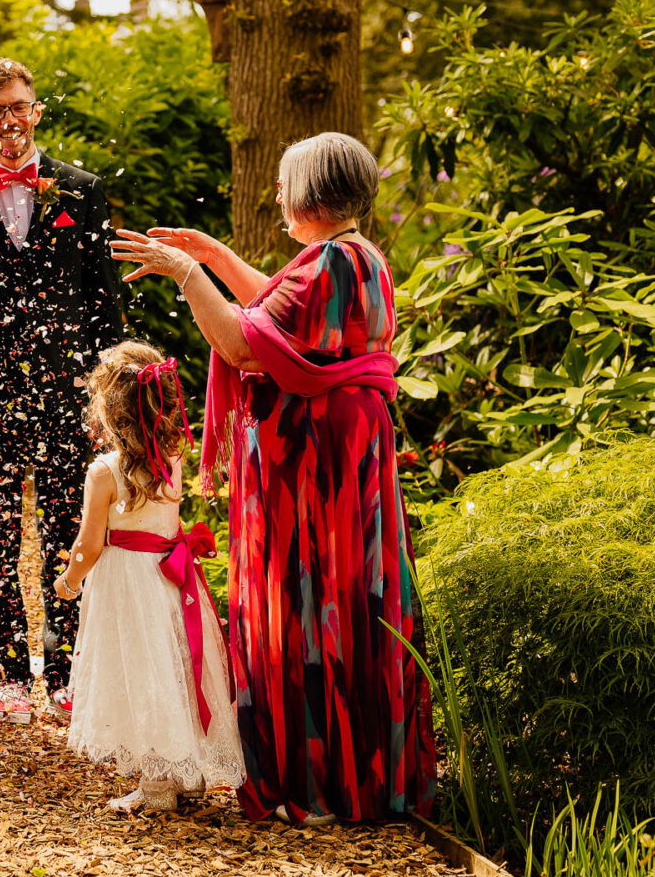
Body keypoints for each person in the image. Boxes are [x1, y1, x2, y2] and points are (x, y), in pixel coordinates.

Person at [109, 132, 437, 825]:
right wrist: (215, 256)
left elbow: (239, 338)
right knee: (348, 603)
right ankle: (360, 777)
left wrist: (184, 273)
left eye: (287, 185)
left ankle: (313, 784)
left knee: (307, 606)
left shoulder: (327, 265)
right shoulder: (355, 258)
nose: (279, 197)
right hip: (346, 455)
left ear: (313, 194)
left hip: (313, 465)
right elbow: (277, 315)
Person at [0, 58, 125, 725]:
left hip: (67, 392)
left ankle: (65, 672)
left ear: (36, 112)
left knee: (69, 528)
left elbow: (103, 305)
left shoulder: (81, 191)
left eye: (19, 106)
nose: (9, 118)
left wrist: (107, 398)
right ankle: (8, 675)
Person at [53, 341, 244, 813]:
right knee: (175, 666)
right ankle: (185, 772)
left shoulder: (104, 472)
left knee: (141, 673)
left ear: (110, 411)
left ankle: (159, 785)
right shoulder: (174, 455)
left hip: (128, 584)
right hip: (172, 577)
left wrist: (68, 581)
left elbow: (89, 545)